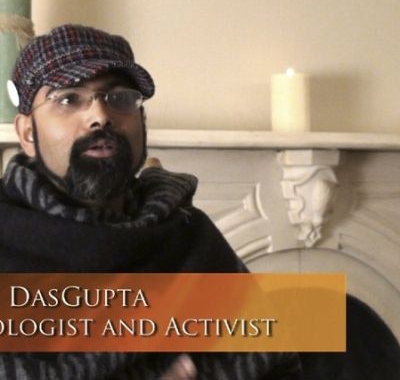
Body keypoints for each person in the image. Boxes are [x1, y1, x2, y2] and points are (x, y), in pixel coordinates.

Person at [0, 24, 302, 379]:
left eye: (120, 98)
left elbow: (276, 363)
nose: (100, 116)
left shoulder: (187, 233)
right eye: (68, 99)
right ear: (28, 133)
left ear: (142, 120)